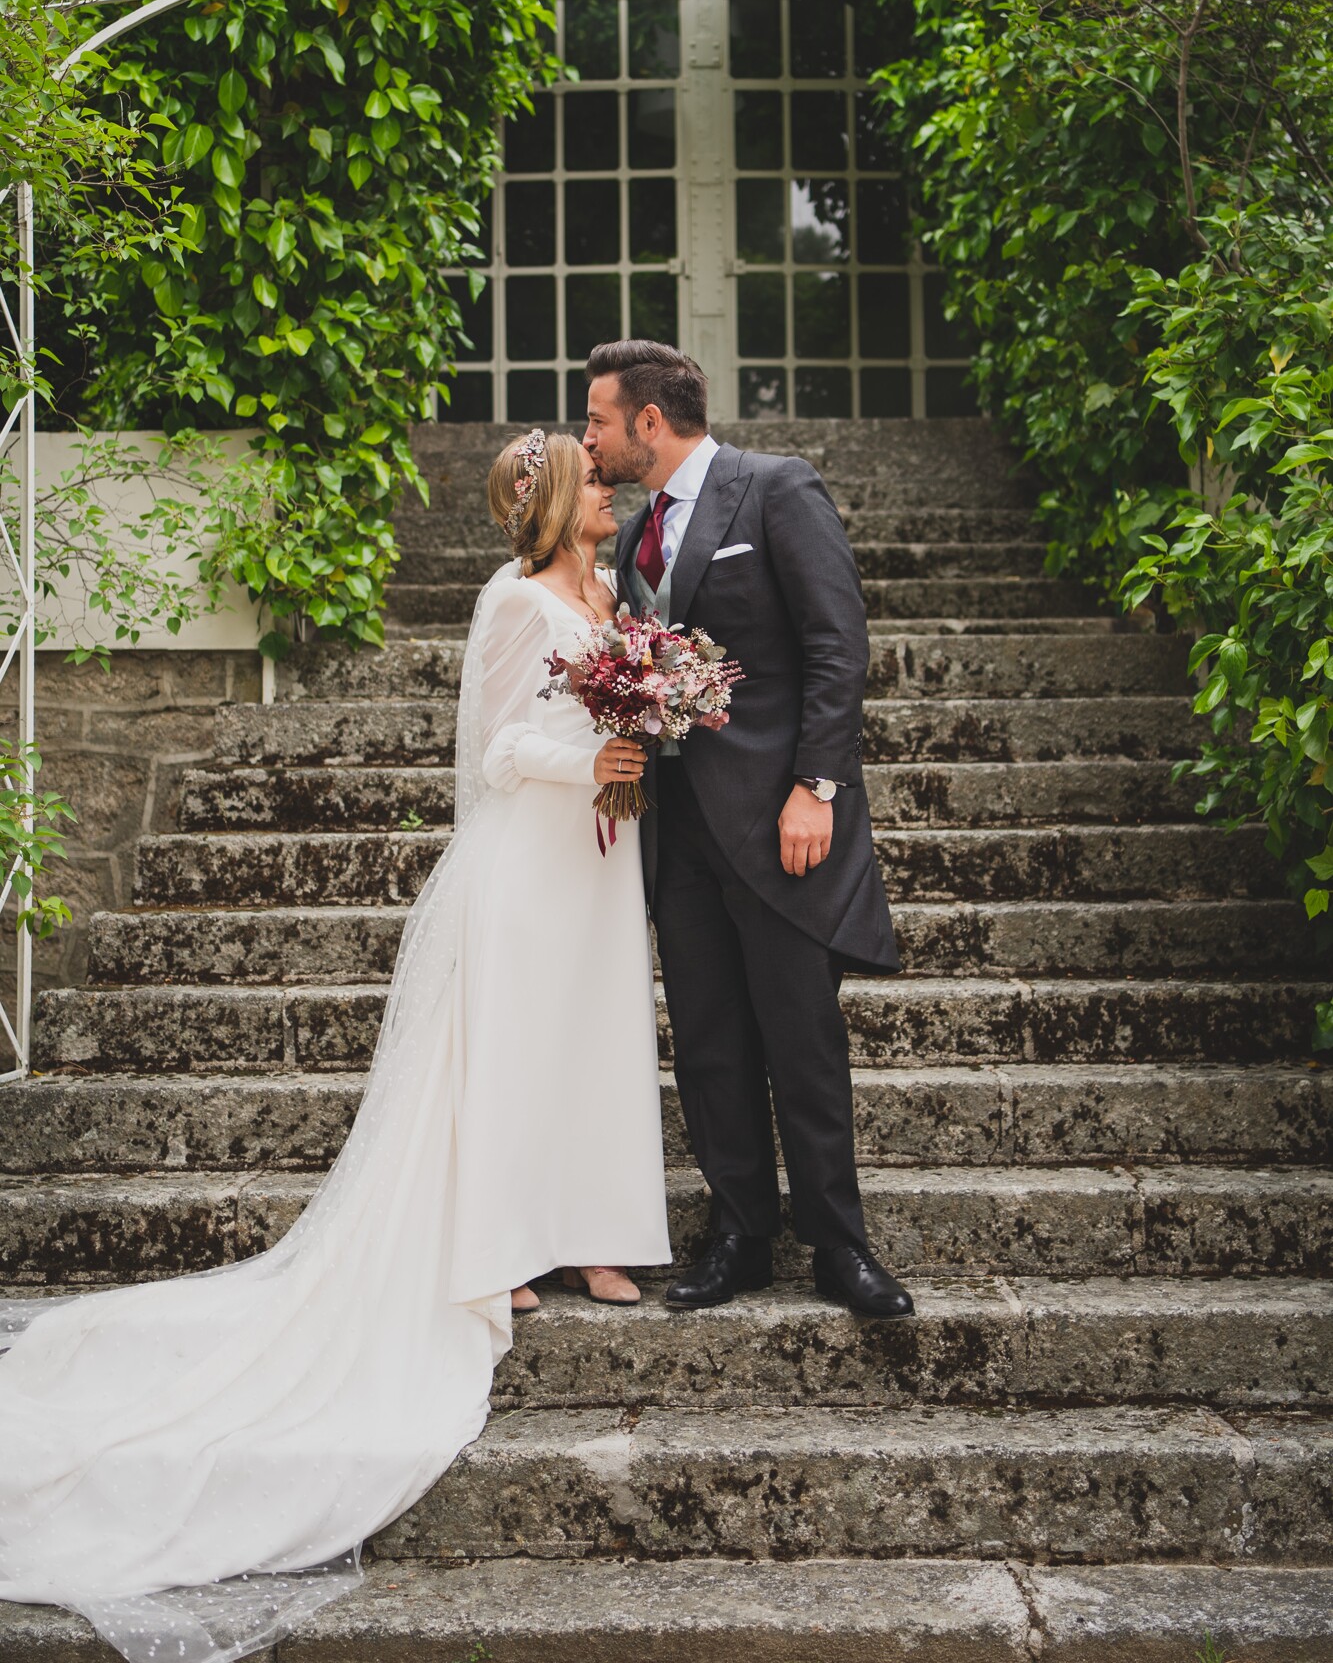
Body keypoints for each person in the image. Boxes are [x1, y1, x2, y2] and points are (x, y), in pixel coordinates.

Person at [0, 430, 670, 1663]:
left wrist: (640, 740)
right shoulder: (512, 599)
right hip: (530, 860)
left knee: (590, 1043)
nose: (611, 485)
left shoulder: (615, 591)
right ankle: (508, 1238)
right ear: (556, 500)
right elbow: (496, 751)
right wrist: (603, 755)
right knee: (517, 1051)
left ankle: (590, 1233)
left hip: (601, 865)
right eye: (593, 473)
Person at [584, 340, 915, 1321]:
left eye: (599, 417)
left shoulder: (774, 489)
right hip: (677, 830)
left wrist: (817, 784)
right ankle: (738, 1232)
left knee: (800, 1036)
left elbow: (834, 641)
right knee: (710, 1041)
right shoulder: (637, 531)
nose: (589, 436)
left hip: (780, 823)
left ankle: (838, 1242)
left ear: (650, 418)